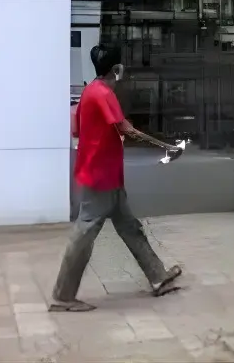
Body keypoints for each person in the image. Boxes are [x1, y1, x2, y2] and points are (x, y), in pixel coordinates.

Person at [49, 45, 184, 312]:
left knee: (129, 227)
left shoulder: (90, 90)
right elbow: (126, 129)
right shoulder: (103, 93)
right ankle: (63, 296)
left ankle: (158, 277)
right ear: (117, 69)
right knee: (84, 233)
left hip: (105, 173)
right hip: (100, 177)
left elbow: (76, 128)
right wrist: (166, 146)